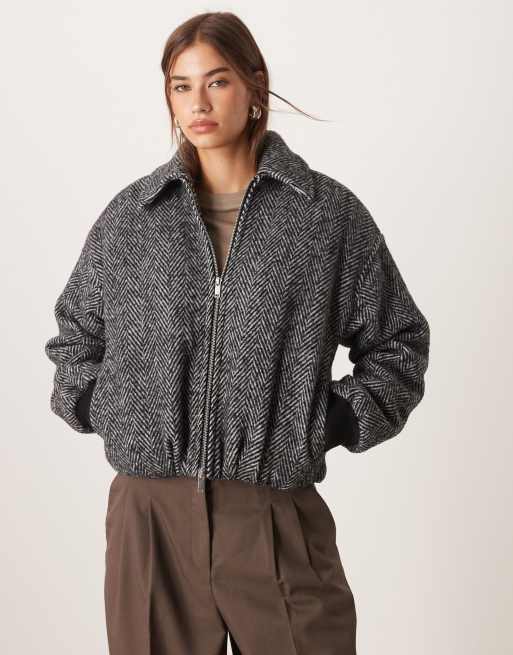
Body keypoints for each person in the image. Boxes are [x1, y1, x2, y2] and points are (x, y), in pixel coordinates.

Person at [44, 11, 430, 655]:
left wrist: (323, 422)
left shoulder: (325, 217)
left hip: (274, 512)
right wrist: (108, 409)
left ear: (255, 87)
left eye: (217, 82)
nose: (197, 103)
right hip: (152, 517)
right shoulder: (132, 218)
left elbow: (399, 343)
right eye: (181, 85)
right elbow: (75, 341)